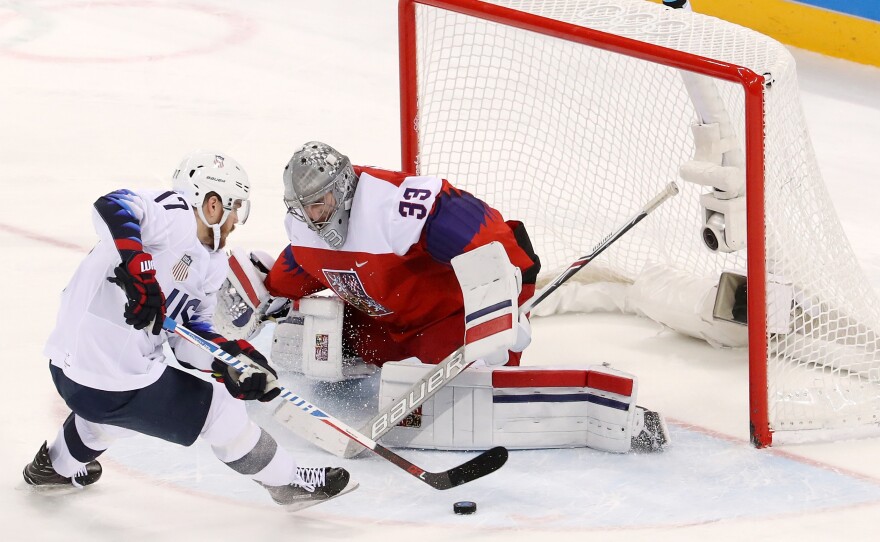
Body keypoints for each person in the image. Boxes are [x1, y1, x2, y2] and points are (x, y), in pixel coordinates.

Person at [22, 151, 354, 507]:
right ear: (212, 204)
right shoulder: (175, 214)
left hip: (79, 375)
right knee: (221, 411)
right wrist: (139, 271)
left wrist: (231, 361)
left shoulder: (211, 265)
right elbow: (112, 206)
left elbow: (189, 336)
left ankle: (55, 465)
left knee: (115, 415)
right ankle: (287, 483)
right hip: (106, 375)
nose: (236, 221)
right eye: (235, 206)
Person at [262, 141, 541, 371]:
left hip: (450, 315)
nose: (312, 218)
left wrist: (504, 300)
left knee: (471, 378)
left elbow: (480, 232)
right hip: (393, 325)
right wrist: (268, 290)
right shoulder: (302, 227)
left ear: (341, 187)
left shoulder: (391, 203)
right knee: (300, 336)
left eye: (318, 203)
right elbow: (303, 267)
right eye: (303, 208)